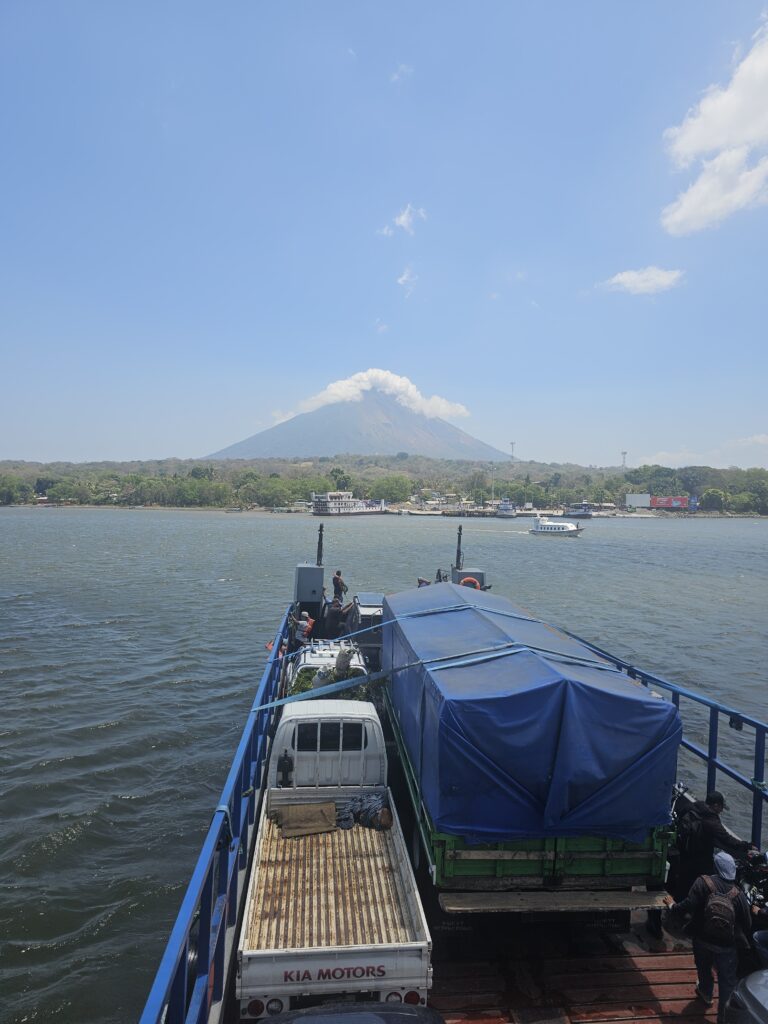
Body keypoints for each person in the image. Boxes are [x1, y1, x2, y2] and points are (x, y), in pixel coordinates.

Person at [665, 851, 751, 1024]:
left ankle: (705, 993)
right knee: (727, 981)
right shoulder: (739, 894)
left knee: (703, 967)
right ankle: (723, 1018)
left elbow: (687, 906)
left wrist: (672, 905)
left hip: (702, 938)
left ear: (715, 867)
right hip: (727, 945)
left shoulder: (703, 883)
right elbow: (747, 923)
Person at [672, 791, 752, 900]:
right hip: (700, 856)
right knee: (706, 881)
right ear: (715, 805)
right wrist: (746, 845)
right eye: (721, 807)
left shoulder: (692, 807)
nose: (721, 810)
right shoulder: (711, 820)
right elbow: (727, 838)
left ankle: (678, 904)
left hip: (685, 851)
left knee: (683, 881)